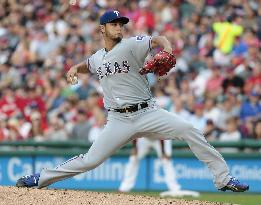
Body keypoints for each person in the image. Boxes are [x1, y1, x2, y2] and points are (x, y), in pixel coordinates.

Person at [16, 10, 249, 192]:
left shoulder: (131, 44)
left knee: (190, 130)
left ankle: (223, 178)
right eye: (114, 24)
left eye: (120, 24)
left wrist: (166, 50)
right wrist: (73, 68)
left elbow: (159, 39)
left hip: (148, 113)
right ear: (102, 29)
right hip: (118, 119)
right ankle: (41, 178)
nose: (118, 27)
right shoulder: (98, 57)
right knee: (90, 160)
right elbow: (88, 65)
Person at [119, 138, 200, 197]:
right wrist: (135, 148)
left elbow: (160, 134)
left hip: (162, 137)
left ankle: (174, 188)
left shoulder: (155, 117)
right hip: (144, 138)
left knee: (166, 161)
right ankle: (124, 188)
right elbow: (135, 131)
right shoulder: (140, 116)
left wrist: (164, 152)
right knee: (133, 159)